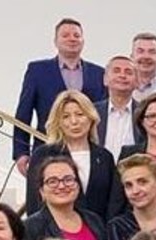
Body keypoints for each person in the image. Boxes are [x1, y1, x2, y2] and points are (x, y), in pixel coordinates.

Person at [13, 18, 106, 175]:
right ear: (55, 41)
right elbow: (23, 113)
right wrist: (21, 152)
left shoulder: (98, 73)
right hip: (46, 149)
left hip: (88, 152)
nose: (72, 39)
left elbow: (102, 115)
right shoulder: (37, 70)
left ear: (83, 41)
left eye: (76, 35)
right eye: (65, 35)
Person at [25, 90, 123, 221]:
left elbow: (113, 204)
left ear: (91, 118)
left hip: (98, 230)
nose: (74, 121)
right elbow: (33, 203)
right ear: (58, 122)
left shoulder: (105, 157)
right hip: (55, 231)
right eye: (66, 116)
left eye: (80, 114)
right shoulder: (43, 155)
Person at [23, 156, 108, 240]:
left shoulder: (94, 221)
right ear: (42, 191)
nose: (62, 186)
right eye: (52, 181)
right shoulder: (30, 228)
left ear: (77, 186)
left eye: (68, 179)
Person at [95, 55, 142, 158]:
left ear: (137, 82)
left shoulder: (144, 112)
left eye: (128, 72)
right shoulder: (92, 112)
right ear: (105, 79)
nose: (122, 75)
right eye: (116, 71)